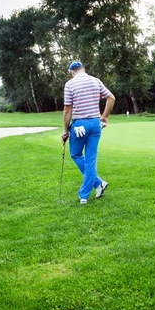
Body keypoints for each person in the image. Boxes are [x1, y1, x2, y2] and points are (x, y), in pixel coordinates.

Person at [62, 61, 115, 204]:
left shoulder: (70, 84)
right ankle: (98, 184)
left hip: (79, 125)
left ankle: (84, 195)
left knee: (76, 154)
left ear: (72, 72)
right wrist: (104, 116)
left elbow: (68, 110)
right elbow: (111, 98)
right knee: (90, 159)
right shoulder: (95, 81)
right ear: (83, 69)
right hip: (95, 124)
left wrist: (66, 130)